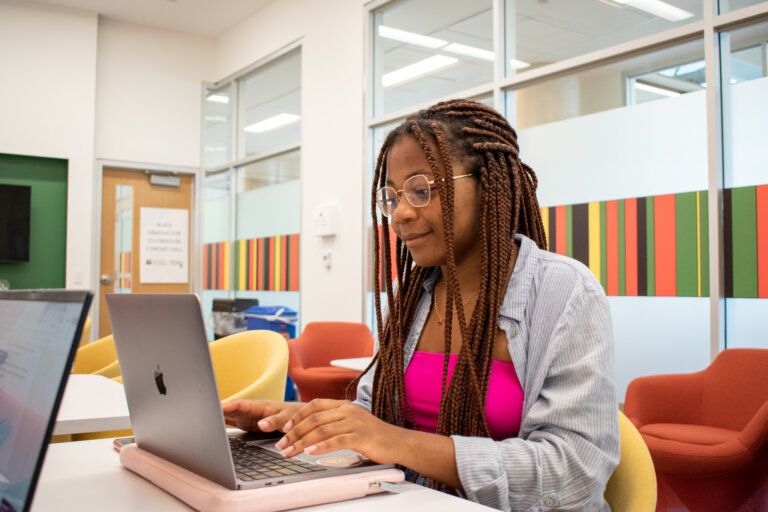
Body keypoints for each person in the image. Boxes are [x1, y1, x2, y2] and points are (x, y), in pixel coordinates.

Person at [223, 99, 619, 511]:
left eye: (421, 189)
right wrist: (292, 418)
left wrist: (397, 442)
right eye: (392, 197)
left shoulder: (565, 292)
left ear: (487, 184)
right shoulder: (412, 294)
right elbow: (374, 416)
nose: (400, 214)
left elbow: (574, 470)